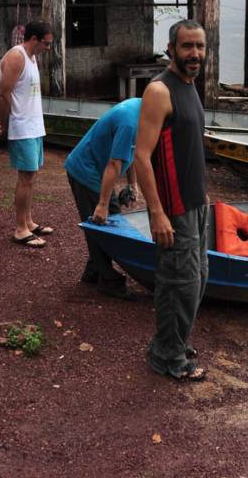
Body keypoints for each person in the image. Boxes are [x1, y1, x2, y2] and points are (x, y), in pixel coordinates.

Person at [134, 19, 208, 382]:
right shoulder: (160, 90)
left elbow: (185, 149)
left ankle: (173, 341)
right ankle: (167, 355)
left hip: (196, 204)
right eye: (187, 47)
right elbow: (141, 156)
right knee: (179, 283)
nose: (194, 54)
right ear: (171, 49)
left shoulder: (190, 85)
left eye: (200, 47)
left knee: (196, 280)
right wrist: (157, 212)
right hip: (174, 208)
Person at [64, 98, 141, 301]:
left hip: (99, 170)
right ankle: (108, 281)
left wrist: (132, 185)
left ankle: (93, 272)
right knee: (103, 225)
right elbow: (115, 163)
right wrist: (102, 204)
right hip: (85, 170)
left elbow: (132, 151)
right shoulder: (129, 121)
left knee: (111, 222)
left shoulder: (142, 111)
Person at [0, 20, 54, 247]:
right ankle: (20, 229)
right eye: (46, 44)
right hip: (22, 127)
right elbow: (3, 95)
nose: (48, 48)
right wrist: (4, 125)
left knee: (31, 177)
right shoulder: (15, 57)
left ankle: (28, 221)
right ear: (34, 39)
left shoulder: (32, 57)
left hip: (35, 126)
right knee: (25, 177)